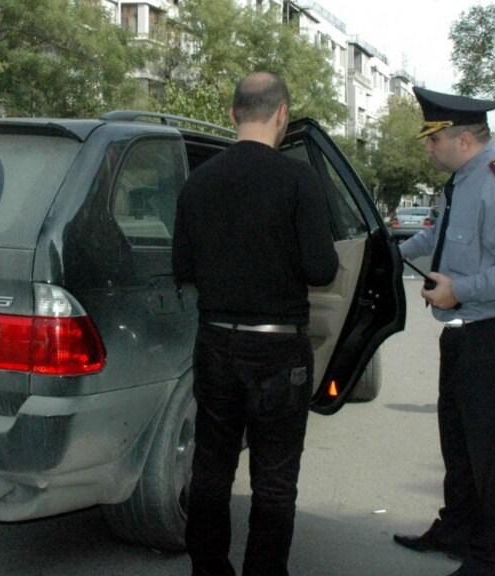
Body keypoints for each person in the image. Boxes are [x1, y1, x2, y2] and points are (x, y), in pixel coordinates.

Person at [172, 71, 339, 576]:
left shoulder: (198, 180)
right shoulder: (298, 179)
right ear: (283, 114)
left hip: (216, 343)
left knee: (211, 469)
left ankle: (208, 567)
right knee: (274, 482)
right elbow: (322, 269)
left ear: (232, 114)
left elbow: (183, 268)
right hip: (278, 351)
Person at [394, 86, 495, 576]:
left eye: (432, 138)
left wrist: (460, 289)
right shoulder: (464, 180)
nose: (427, 147)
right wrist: (384, 250)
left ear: (461, 138)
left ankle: (492, 558)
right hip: (465, 335)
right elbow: (435, 237)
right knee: (460, 446)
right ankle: (457, 529)